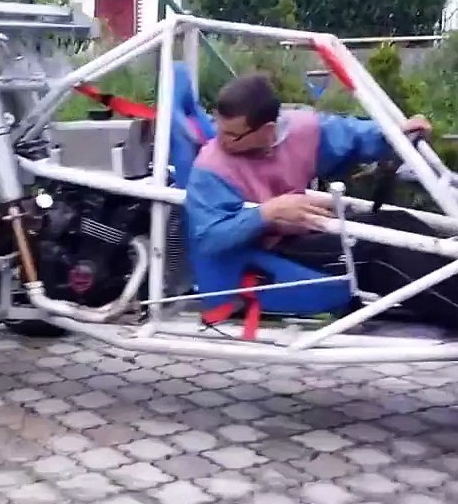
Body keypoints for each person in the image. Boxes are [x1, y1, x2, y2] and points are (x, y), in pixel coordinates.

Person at [183, 73, 458, 330]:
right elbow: (208, 238)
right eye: (219, 128)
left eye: (232, 135)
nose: (221, 140)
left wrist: (393, 134)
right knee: (378, 252)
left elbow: (348, 136)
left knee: (398, 223)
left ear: (268, 129)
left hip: (306, 230)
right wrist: (266, 214)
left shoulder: (300, 131)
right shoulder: (212, 168)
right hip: (271, 251)